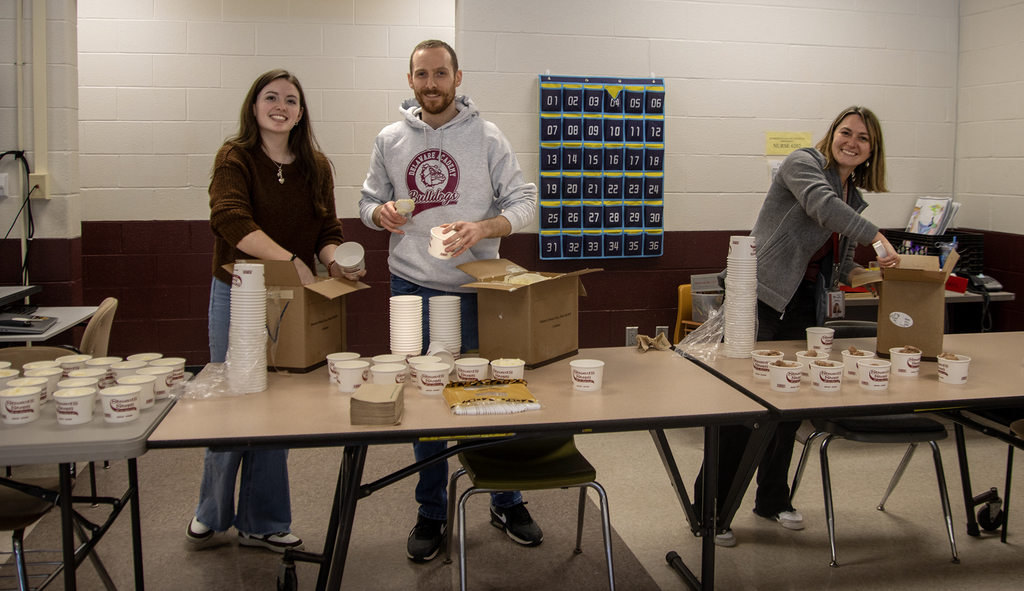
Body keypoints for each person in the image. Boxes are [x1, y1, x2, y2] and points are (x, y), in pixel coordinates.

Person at [359, 40, 539, 563]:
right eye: (422, 75)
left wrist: (484, 226)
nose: (431, 84)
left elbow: (525, 200)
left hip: (477, 289)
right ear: (410, 80)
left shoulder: (487, 136)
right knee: (424, 404)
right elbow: (367, 201)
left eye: (441, 74)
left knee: (490, 395)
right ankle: (432, 510)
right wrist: (380, 215)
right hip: (411, 286)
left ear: (458, 77)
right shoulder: (390, 139)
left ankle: (506, 498)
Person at [698, 106, 901, 548]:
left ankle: (771, 499)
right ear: (831, 136)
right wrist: (877, 236)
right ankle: (710, 508)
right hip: (759, 298)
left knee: (789, 406)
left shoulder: (855, 200)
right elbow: (820, 207)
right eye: (845, 132)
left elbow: (841, 267)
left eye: (863, 139)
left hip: (806, 306)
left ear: (871, 152)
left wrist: (886, 280)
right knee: (742, 409)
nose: (852, 142)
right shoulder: (803, 164)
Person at [186, 69, 364, 553]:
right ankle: (211, 511)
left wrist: (334, 261)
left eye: (291, 99)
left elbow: (328, 228)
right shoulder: (235, 157)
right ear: (255, 106)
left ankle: (262, 520)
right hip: (238, 293)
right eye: (271, 97)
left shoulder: (316, 165)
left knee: (276, 404)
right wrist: (288, 260)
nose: (281, 105)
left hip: (293, 297)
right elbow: (228, 217)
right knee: (233, 396)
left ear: (301, 112)